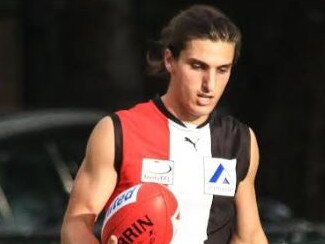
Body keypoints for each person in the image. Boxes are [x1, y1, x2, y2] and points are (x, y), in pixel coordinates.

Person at [61, 4, 268, 244]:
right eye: (198, 66)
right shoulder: (118, 132)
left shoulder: (239, 140)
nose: (210, 85)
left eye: (222, 69)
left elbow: (249, 236)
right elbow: (75, 223)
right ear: (170, 60)